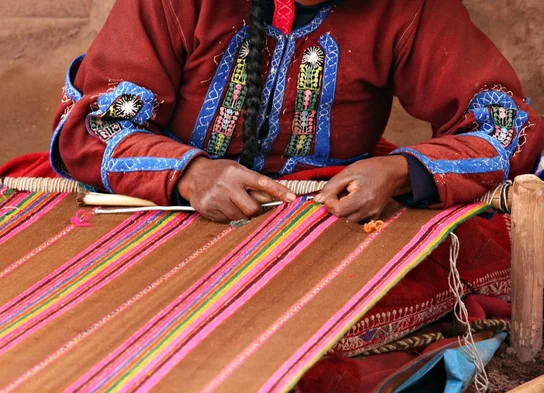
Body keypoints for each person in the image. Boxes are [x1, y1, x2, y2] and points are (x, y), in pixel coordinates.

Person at [49, 0, 542, 387]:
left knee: (313, 342)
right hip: (164, 207)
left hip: (330, 217)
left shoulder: (409, 7)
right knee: (90, 322)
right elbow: (97, 122)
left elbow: (505, 125)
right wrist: (189, 173)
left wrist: (399, 171)